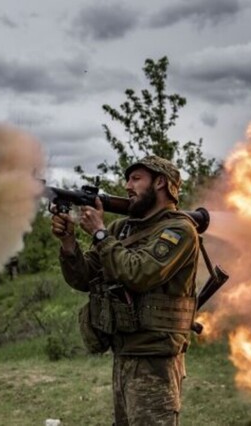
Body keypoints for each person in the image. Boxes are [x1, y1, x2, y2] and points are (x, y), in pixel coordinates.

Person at [51, 156, 200, 425]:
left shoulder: (179, 230)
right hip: (124, 353)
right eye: (127, 179)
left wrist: (99, 233)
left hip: (156, 359)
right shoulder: (122, 229)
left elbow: (139, 273)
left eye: (136, 179)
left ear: (160, 183)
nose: (127, 186)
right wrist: (68, 243)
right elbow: (85, 278)